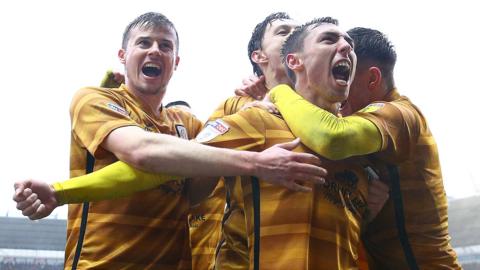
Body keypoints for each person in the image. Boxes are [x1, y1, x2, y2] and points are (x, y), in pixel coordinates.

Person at [13, 12, 327, 270]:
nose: (155, 51)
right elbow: (141, 152)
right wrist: (257, 163)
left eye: (165, 46)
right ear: (123, 55)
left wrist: (247, 116)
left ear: (175, 62)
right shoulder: (94, 99)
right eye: (144, 43)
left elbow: (195, 194)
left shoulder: (188, 125)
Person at [268, 27, 462, 269]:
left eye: (348, 81)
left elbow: (333, 138)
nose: (341, 97)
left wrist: (279, 92)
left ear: (372, 79)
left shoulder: (400, 114)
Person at [200, 17, 374, 270]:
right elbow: (185, 171)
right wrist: (254, 162)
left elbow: (346, 222)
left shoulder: (352, 133)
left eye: (349, 42)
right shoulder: (250, 113)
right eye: (284, 31)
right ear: (293, 59)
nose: (346, 47)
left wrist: (372, 207)